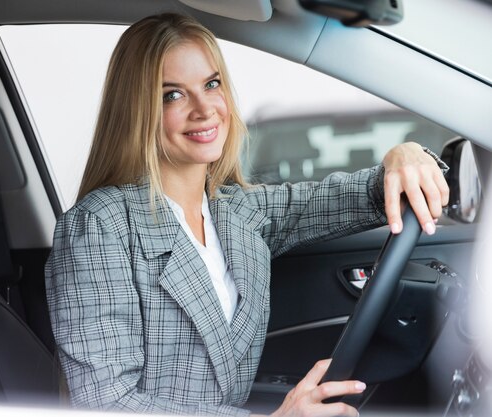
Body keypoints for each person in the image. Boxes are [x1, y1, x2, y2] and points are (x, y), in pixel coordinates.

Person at [45, 13, 449, 417]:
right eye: (173, 95)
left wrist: (406, 155)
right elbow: (105, 403)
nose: (205, 109)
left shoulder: (236, 211)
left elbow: (360, 195)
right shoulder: (99, 227)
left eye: (211, 84)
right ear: (137, 110)